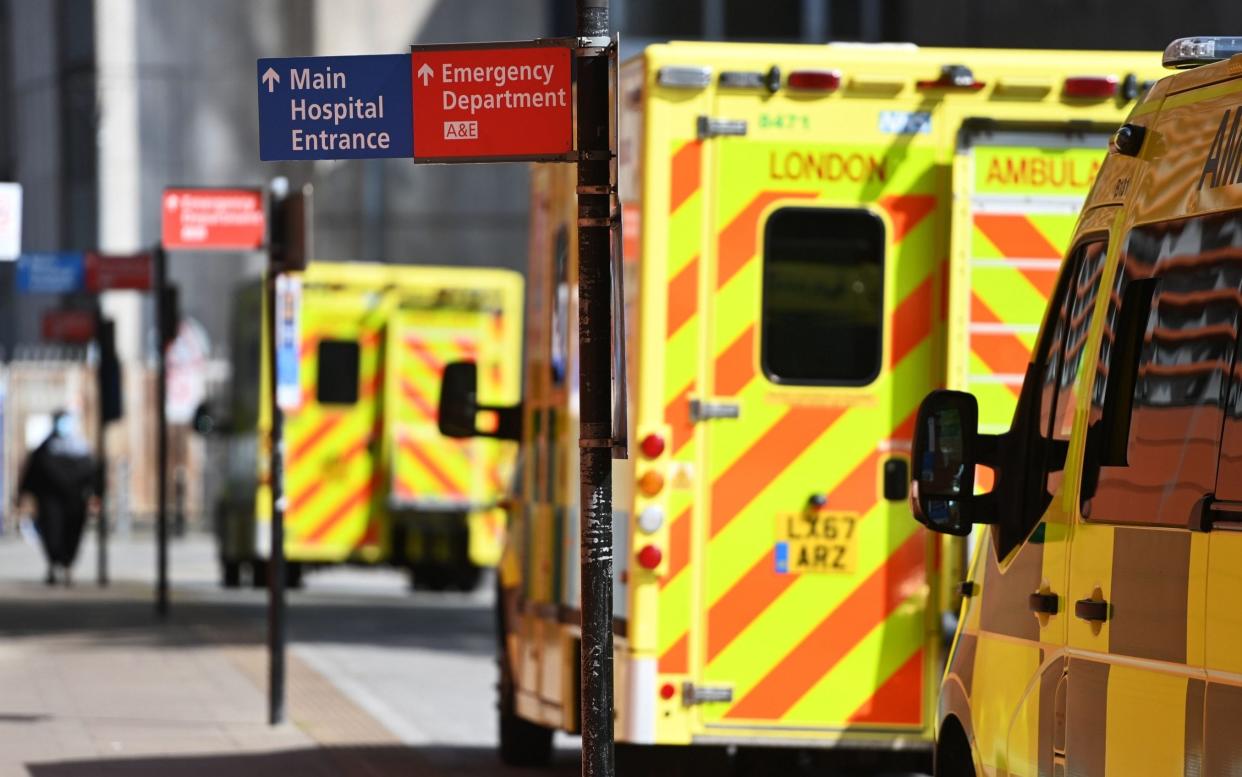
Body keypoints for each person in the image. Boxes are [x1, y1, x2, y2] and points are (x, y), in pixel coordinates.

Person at [15, 411, 97, 585]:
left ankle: (67, 566)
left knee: (72, 535)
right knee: (52, 535)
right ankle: (53, 565)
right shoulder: (44, 449)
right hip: (50, 503)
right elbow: (32, 473)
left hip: (75, 502)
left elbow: (92, 474)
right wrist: (22, 495)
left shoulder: (80, 448)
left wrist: (95, 494)